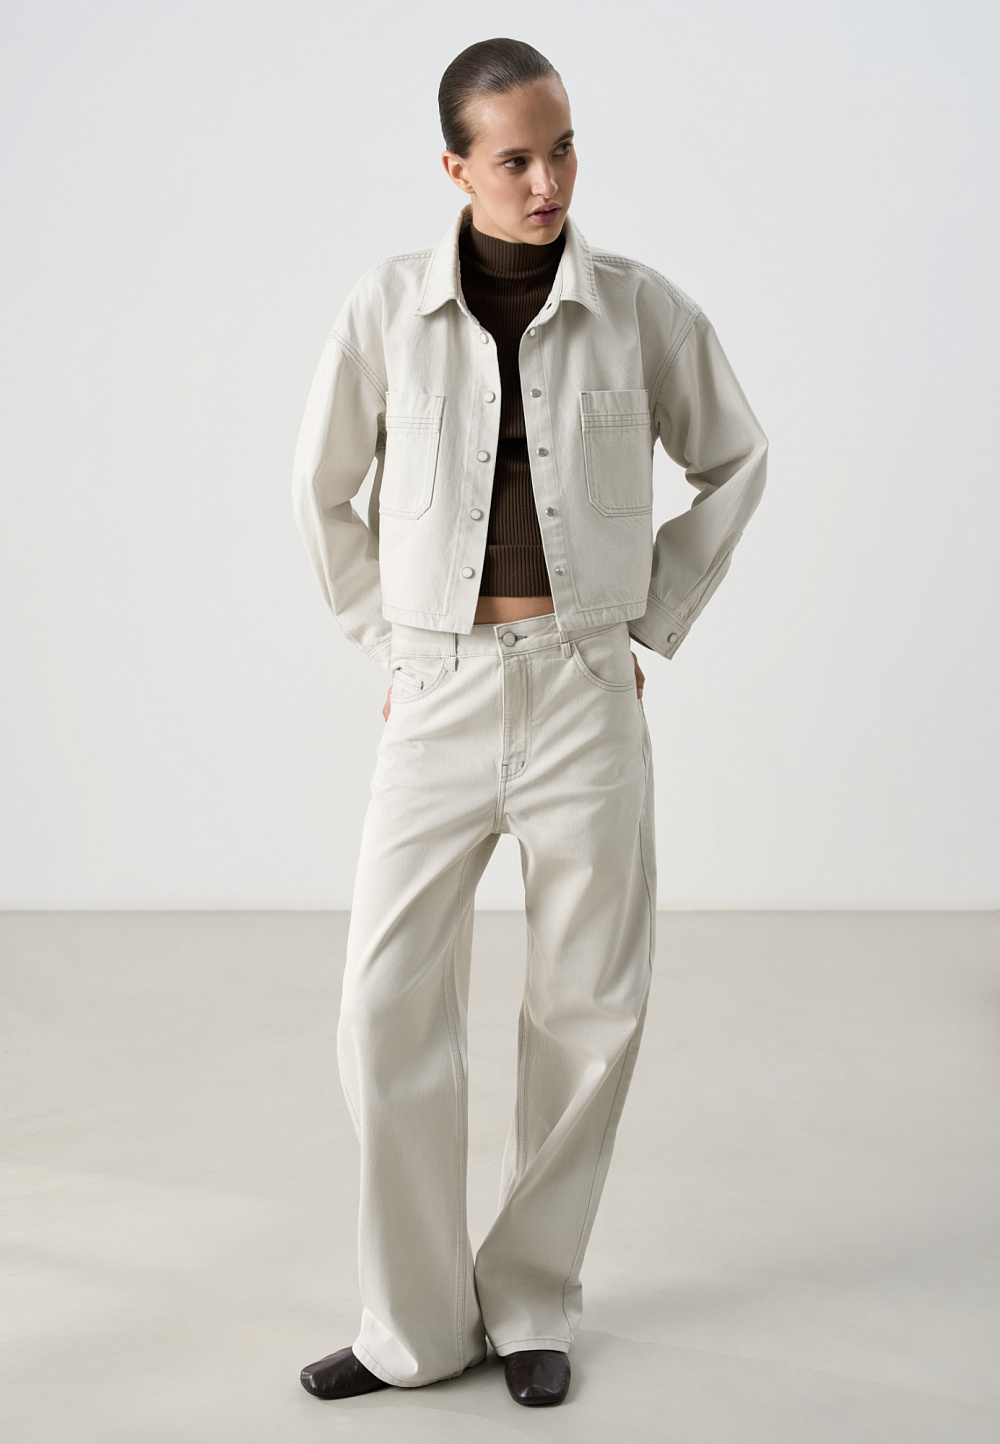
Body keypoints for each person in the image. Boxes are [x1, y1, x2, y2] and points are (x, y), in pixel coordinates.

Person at [291, 37, 767, 1409]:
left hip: (580, 690)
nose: (547, 180)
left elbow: (737, 457)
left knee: (585, 1010)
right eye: (515, 158)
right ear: (456, 167)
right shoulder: (384, 310)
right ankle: (412, 1326)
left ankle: (531, 1298)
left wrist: (645, 623)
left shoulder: (640, 308)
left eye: (563, 150)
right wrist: (390, 643)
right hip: (438, 690)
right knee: (383, 1007)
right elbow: (321, 491)